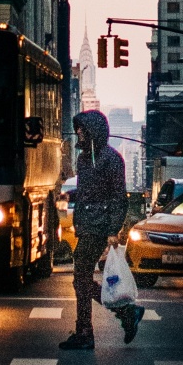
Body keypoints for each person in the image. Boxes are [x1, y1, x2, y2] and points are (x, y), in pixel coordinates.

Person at [60, 108, 140, 350]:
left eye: (82, 130)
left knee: (81, 278)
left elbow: (118, 196)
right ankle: (124, 313)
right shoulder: (83, 159)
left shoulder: (112, 159)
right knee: (80, 279)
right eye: (78, 130)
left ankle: (88, 331)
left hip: (100, 227)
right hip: (86, 226)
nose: (79, 134)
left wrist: (113, 229)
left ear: (94, 131)